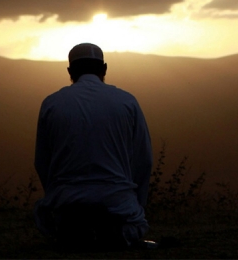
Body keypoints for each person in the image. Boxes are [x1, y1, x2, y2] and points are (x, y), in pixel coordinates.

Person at [33, 43, 156, 250]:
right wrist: (136, 205)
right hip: (118, 205)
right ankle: (114, 232)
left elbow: (42, 161)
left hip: (67, 205)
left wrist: (58, 195)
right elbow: (144, 160)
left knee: (57, 223)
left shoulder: (52, 103)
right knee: (127, 229)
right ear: (104, 69)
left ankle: (75, 230)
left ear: (70, 72)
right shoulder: (127, 102)